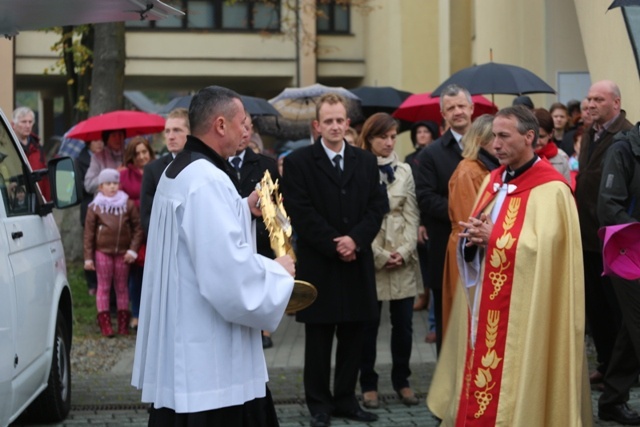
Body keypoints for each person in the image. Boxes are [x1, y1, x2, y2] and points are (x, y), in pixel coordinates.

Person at [131, 86, 295, 426]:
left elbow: (194, 235)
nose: (246, 131)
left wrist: (241, 207)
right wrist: (279, 272)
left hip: (186, 338)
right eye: (241, 123)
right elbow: (230, 279)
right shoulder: (206, 181)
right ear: (220, 125)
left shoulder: (181, 170)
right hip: (210, 358)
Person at [427, 106, 592, 425]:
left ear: (529, 137)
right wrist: (473, 240)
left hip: (527, 312)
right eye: (493, 137)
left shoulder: (552, 189)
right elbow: (474, 236)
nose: (496, 144)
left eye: (504, 136)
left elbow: (549, 254)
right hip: (487, 300)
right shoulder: (492, 180)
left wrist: (497, 238)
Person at [281, 93, 388, 427]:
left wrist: (355, 239)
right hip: (321, 264)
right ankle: (319, 404)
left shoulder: (366, 161)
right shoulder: (299, 162)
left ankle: (345, 399)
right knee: (319, 337)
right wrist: (334, 243)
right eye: (328, 121)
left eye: (340, 120)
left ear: (348, 123)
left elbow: (377, 206)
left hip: (356, 261)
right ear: (317, 125)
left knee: (354, 335)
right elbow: (300, 211)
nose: (335, 126)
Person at [355, 113, 421, 409]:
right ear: (369, 138)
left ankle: (402, 380)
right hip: (372, 255)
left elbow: (412, 214)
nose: (389, 142)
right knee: (368, 325)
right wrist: (379, 255)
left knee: (404, 325)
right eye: (383, 137)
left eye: (393, 137)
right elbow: (357, 218)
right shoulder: (358, 167)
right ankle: (368, 383)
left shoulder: (405, 170)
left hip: (403, 258)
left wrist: (404, 251)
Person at [575, 80, 633, 390]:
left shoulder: (626, 135)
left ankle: (623, 371)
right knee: (597, 307)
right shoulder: (589, 134)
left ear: (616, 102)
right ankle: (606, 363)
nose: (591, 103)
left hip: (615, 239)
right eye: (588, 98)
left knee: (618, 309)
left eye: (598, 98)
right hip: (587, 237)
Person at [413, 84, 474, 352]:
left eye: (461, 106)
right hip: (446, 247)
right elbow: (425, 198)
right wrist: (464, 213)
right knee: (448, 325)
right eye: (451, 108)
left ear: (472, 108)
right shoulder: (431, 154)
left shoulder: (492, 146)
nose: (457, 111)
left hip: (485, 246)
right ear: (443, 114)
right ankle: (449, 389)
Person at [596, 122, 640, 425]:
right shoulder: (623, 149)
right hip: (629, 253)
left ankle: (612, 400)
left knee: (631, 329)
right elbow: (609, 205)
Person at [441, 114, 499, 338]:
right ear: (481, 140)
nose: (499, 142)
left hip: (481, 251)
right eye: (494, 136)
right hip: (469, 253)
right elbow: (470, 222)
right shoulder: (468, 170)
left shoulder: (487, 167)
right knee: (467, 321)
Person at [228, 113, 280, 349]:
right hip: (232, 241)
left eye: (249, 128)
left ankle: (264, 329)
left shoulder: (266, 165)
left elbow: (278, 207)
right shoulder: (216, 165)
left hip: (261, 239)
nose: (246, 132)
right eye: (242, 127)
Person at [83, 168, 144, 337]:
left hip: (123, 253)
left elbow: (138, 228)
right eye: (108, 184)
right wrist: (88, 258)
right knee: (104, 287)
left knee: (122, 287)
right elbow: (88, 234)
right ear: (101, 187)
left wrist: (133, 250)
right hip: (102, 251)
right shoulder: (95, 207)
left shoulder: (127, 204)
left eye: (115, 183)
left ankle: (123, 323)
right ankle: (105, 324)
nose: (112, 187)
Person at [119, 136, 155, 330]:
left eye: (144, 152)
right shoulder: (124, 175)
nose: (142, 156)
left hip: (154, 225)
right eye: (137, 153)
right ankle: (137, 313)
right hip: (134, 230)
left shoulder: (158, 170)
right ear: (131, 156)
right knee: (136, 275)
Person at [405, 120, 439, 312]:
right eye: (419, 132)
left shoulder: (436, 155)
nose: (422, 135)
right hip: (415, 210)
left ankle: (430, 299)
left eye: (426, 131)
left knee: (431, 259)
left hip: (430, 213)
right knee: (420, 259)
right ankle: (422, 294)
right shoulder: (411, 158)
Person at [140, 108, 189, 235]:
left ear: (191, 133)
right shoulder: (153, 169)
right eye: (167, 131)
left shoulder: (204, 165)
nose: (171, 136)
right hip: (163, 243)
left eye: (177, 130)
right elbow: (147, 215)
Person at [76, 139, 104, 296]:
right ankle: (92, 283)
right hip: (89, 206)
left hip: (107, 211)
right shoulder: (81, 160)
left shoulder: (106, 157)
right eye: (95, 141)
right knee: (90, 245)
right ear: (88, 143)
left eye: (100, 141)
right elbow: (81, 186)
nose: (99, 144)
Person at [11, 107, 50, 200]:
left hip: (38, 201)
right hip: (15, 202)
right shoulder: (9, 147)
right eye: (23, 122)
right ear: (13, 124)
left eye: (30, 122)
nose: (27, 125)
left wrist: (47, 202)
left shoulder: (38, 147)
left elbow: (44, 179)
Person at [533, 108, 571, 182]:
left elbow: (566, 191)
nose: (537, 141)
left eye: (541, 136)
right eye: (533, 136)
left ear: (551, 134)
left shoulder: (562, 160)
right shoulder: (519, 159)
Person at [84, 129, 126, 195]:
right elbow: (89, 185)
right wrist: (115, 173)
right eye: (114, 135)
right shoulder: (98, 157)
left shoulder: (130, 154)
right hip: (104, 203)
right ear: (107, 138)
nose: (118, 138)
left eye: (120, 135)